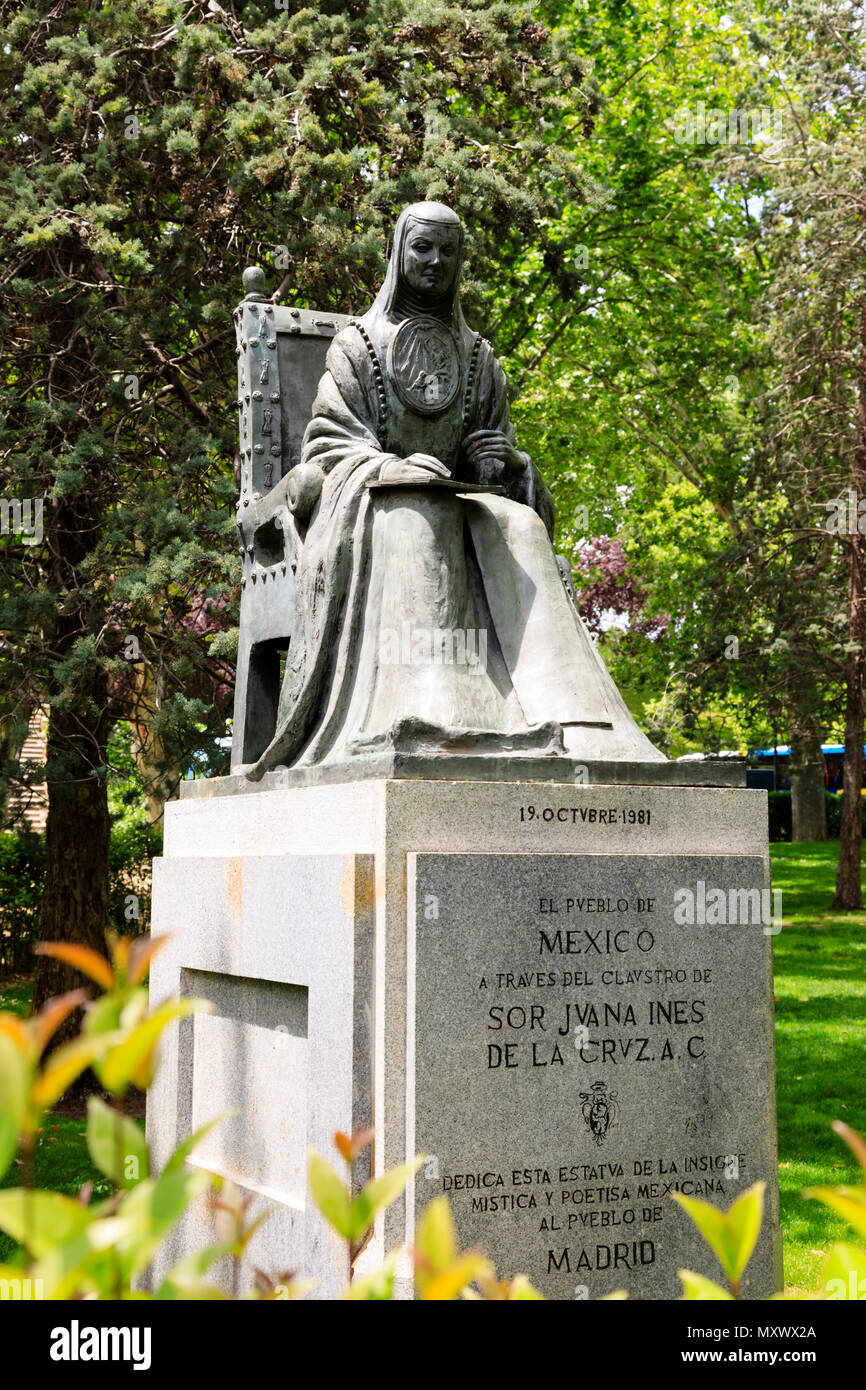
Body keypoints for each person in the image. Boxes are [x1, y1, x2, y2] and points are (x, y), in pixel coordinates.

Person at [245, 201, 662, 777]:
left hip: (463, 502)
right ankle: (437, 710)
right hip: (379, 505)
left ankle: (575, 719)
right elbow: (328, 449)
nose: (435, 261)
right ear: (399, 253)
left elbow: (502, 459)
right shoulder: (355, 346)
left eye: (448, 250)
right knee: (420, 513)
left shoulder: (479, 358)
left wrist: (505, 465)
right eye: (423, 247)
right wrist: (389, 468)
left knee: (521, 524)